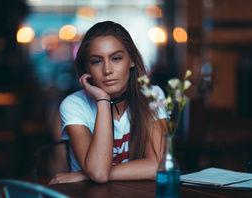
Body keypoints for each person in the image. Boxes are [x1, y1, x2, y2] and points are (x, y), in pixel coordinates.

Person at [49, 21, 168, 184]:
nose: (107, 70)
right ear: (87, 67)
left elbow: (158, 165)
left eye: (116, 58)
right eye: (97, 61)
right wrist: (103, 100)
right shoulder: (74, 105)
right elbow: (98, 172)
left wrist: (83, 175)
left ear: (131, 60)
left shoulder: (152, 96)